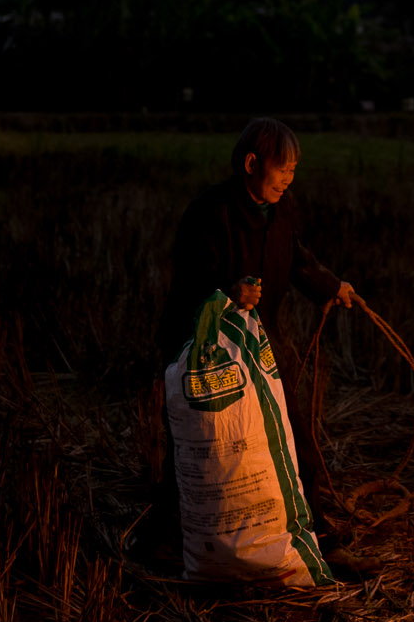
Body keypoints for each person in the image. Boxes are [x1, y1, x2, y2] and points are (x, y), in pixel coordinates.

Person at [149, 117, 361, 541]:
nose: (289, 178)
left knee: (293, 432)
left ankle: (311, 526)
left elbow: (296, 257)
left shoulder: (280, 210)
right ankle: (172, 530)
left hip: (261, 342)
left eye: (294, 170)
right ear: (251, 163)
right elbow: (191, 279)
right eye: (283, 168)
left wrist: (330, 286)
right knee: (200, 442)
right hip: (203, 346)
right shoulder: (209, 212)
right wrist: (228, 292)